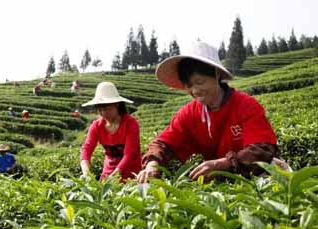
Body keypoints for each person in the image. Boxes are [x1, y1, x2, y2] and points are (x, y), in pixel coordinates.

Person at [137, 41, 279, 183]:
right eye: (189, 85)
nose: (195, 91)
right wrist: (152, 163)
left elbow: (262, 149)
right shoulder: (189, 113)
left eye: (200, 82)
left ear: (216, 74)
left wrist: (223, 164)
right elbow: (164, 143)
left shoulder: (246, 105)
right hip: (220, 184)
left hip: (258, 181)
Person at [80, 82, 142, 183]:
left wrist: (115, 175)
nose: (103, 113)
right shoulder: (97, 126)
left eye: (107, 109)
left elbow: (130, 153)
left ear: (117, 105)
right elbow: (87, 148)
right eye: (100, 110)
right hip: (107, 176)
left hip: (131, 177)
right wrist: (86, 171)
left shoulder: (130, 123)